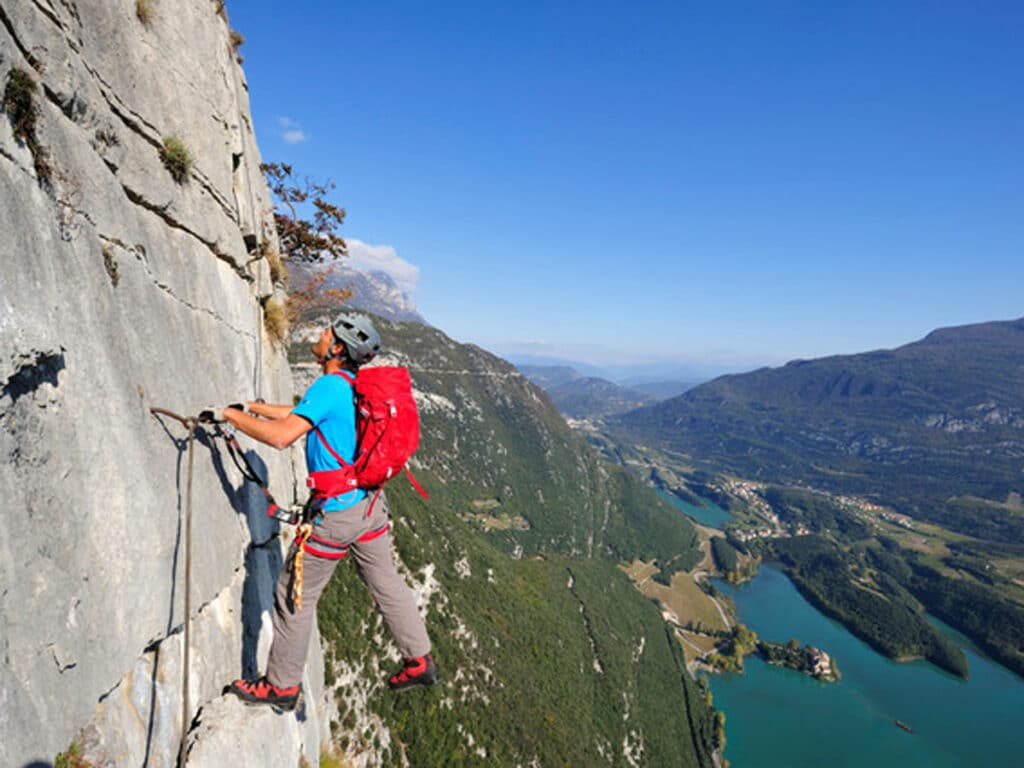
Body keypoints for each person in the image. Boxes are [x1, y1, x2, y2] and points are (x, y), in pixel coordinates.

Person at [217, 312, 438, 711]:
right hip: (369, 505)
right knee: (386, 581)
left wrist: (232, 417)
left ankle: (281, 687)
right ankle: (418, 658)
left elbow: (285, 437)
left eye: (325, 333)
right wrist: (254, 407)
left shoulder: (330, 384)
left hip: (335, 515)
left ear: (336, 348)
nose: (318, 335)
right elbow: (301, 414)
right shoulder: (354, 385)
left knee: (293, 596)